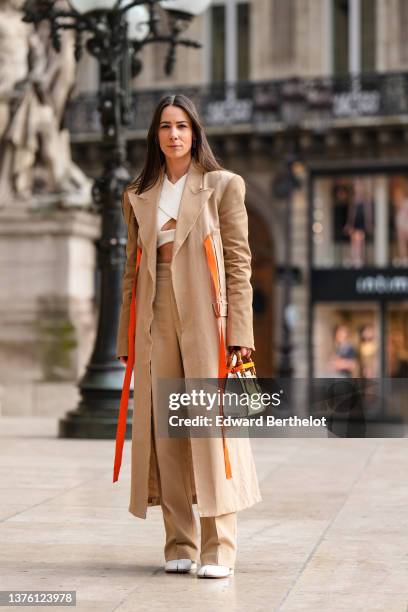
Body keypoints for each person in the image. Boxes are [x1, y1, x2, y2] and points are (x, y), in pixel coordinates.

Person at [114, 94, 262, 579]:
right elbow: (132, 273)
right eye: (164, 126)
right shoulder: (138, 192)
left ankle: (220, 549)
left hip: (206, 314)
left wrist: (240, 332)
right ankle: (179, 542)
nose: (173, 135)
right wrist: (125, 339)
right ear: (155, 136)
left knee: (211, 427)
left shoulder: (223, 186)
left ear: (195, 132)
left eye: (181, 126)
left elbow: (240, 265)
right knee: (165, 429)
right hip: (154, 315)